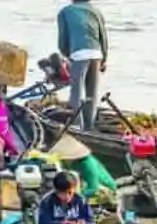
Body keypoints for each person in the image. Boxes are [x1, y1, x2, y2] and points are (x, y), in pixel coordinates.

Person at [58, 0, 110, 131]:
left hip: (79, 54)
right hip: (97, 53)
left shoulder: (65, 12)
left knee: (76, 93)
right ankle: (89, 127)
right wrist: (104, 59)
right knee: (91, 94)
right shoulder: (96, 11)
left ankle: (76, 125)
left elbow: (63, 40)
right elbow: (103, 37)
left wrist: (68, 55)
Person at [49, 134, 118, 198]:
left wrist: (76, 195)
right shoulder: (69, 163)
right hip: (84, 186)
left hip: (103, 188)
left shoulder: (88, 164)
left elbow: (93, 188)